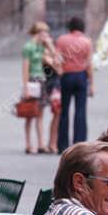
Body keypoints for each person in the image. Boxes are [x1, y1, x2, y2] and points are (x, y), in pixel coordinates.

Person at [55, 17, 93, 151]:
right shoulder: (87, 41)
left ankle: (62, 145)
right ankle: (79, 144)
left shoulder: (61, 39)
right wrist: (92, 84)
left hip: (67, 76)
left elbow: (57, 60)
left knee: (64, 111)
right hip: (81, 76)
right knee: (80, 111)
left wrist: (60, 72)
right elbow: (89, 64)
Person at [21, 22, 48, 154]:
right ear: (38, 33)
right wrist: (25, 87)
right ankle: (28, 144)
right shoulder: (28, 47)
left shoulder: (41, 47)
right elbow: (25, 69)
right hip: (32, 80)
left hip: (41, 80)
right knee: (29, 113)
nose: (47, 35)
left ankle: (41, 144)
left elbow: (54, 58)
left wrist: (50, 45)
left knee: (40, 113)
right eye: (45, 33)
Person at [40, 25, 62, 154]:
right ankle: (52, 143)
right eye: (46, 36)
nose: (49, 37)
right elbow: (58, 67)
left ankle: (53, 142)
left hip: (57, 85)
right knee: (57, 113)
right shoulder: (44, 54)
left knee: (57, 115)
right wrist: (50, 46)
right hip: (53, 86)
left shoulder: (52, 53)